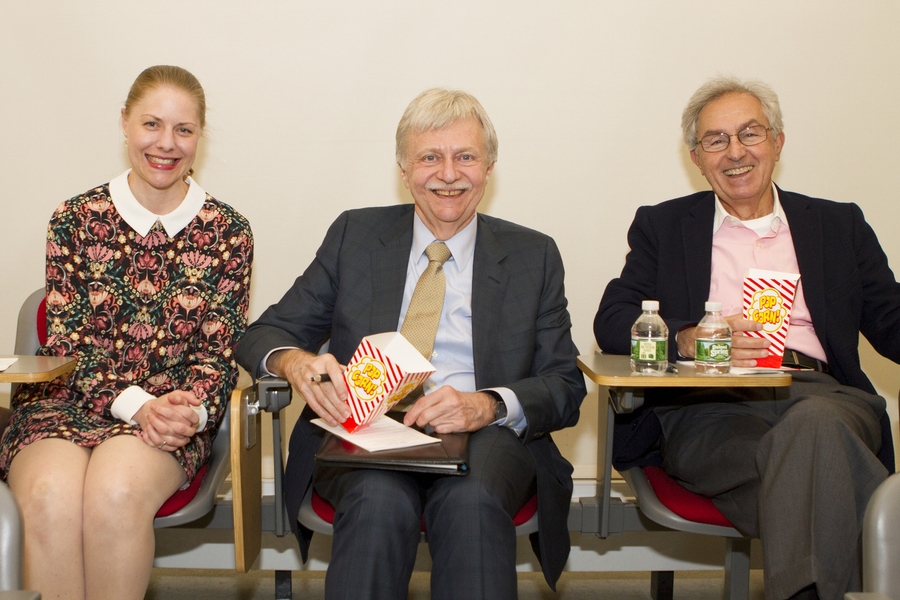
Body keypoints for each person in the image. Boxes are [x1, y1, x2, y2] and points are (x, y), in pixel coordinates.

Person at [236, 88, 585, 600]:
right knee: (379, 501)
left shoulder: (533, 254)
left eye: (465, 156)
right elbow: (264, 334)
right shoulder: (356, 234)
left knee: (471, 500)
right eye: (430, 157)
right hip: (365, 429)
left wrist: (487, 405)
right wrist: (296, 364)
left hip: (484, 435)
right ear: (404, 169)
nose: (448, 173)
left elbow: (563, 384)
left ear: (488, 167)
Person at [594, 76, 900, 600]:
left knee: (814, 429)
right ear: (696, 156)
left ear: (777, 142)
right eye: (716, 140)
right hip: (709, 408)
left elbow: (892, 320)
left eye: (750, 134)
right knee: (831, 474)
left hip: (821, 393)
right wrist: (689, 340)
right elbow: (613, 320)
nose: (734, 152)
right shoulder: (664, 226)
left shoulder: (838, 225)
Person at [0, 65, 253, 600]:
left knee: (114, 493)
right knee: (48, 496)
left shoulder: (229, 232)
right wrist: (135, 403)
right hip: (66, 400)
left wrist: (187, 411)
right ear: (124, 123)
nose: (166, 144)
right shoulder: (73, 218)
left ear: (200, 136)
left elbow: (218, 352)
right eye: (151, 124)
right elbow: (66, 348)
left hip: (168, 416)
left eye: (183, 129)